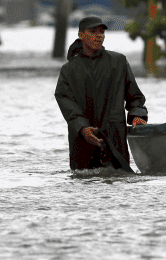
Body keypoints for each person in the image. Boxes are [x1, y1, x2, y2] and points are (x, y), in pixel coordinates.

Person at [55, 16, 148, 171]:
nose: (99, 35)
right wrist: (82, 128)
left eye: (102, 31)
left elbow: (135, 96)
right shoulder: (69, 69)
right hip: (83, 141)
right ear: (81, 35)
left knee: (120, 183)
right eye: (93, 31)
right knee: (84, 182)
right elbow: (65, 100)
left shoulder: (118, 62)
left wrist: (137, 115)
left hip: (114, 136)